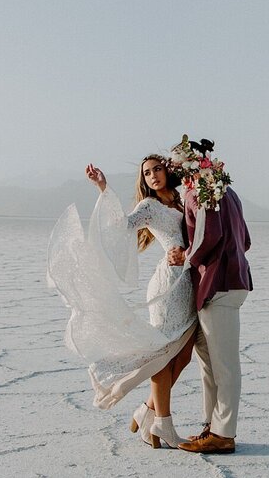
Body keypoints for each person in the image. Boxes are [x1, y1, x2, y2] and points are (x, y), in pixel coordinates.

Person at [46, 154, 197, 448]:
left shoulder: (181, 200)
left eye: (157, 169)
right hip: (169, 286)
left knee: (183, 355)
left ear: (167, 171)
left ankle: (146, 411)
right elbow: (119, 225)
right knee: (161, 357)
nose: (153, 175)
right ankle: (164, 424)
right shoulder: (149, 207)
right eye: (147, 173)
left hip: (189, 282)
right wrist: (103, 188)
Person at [164, 142, 253, 455]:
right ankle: (211, 426)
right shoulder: (228, 192)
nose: (174, 173)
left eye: (175, 167)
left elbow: (208, 236)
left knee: (224, 365)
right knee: (210, 364)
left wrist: (186, 257)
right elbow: (246, 239)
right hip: (225, 283)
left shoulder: (201, 190)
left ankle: (223, 433)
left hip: (219, 285)